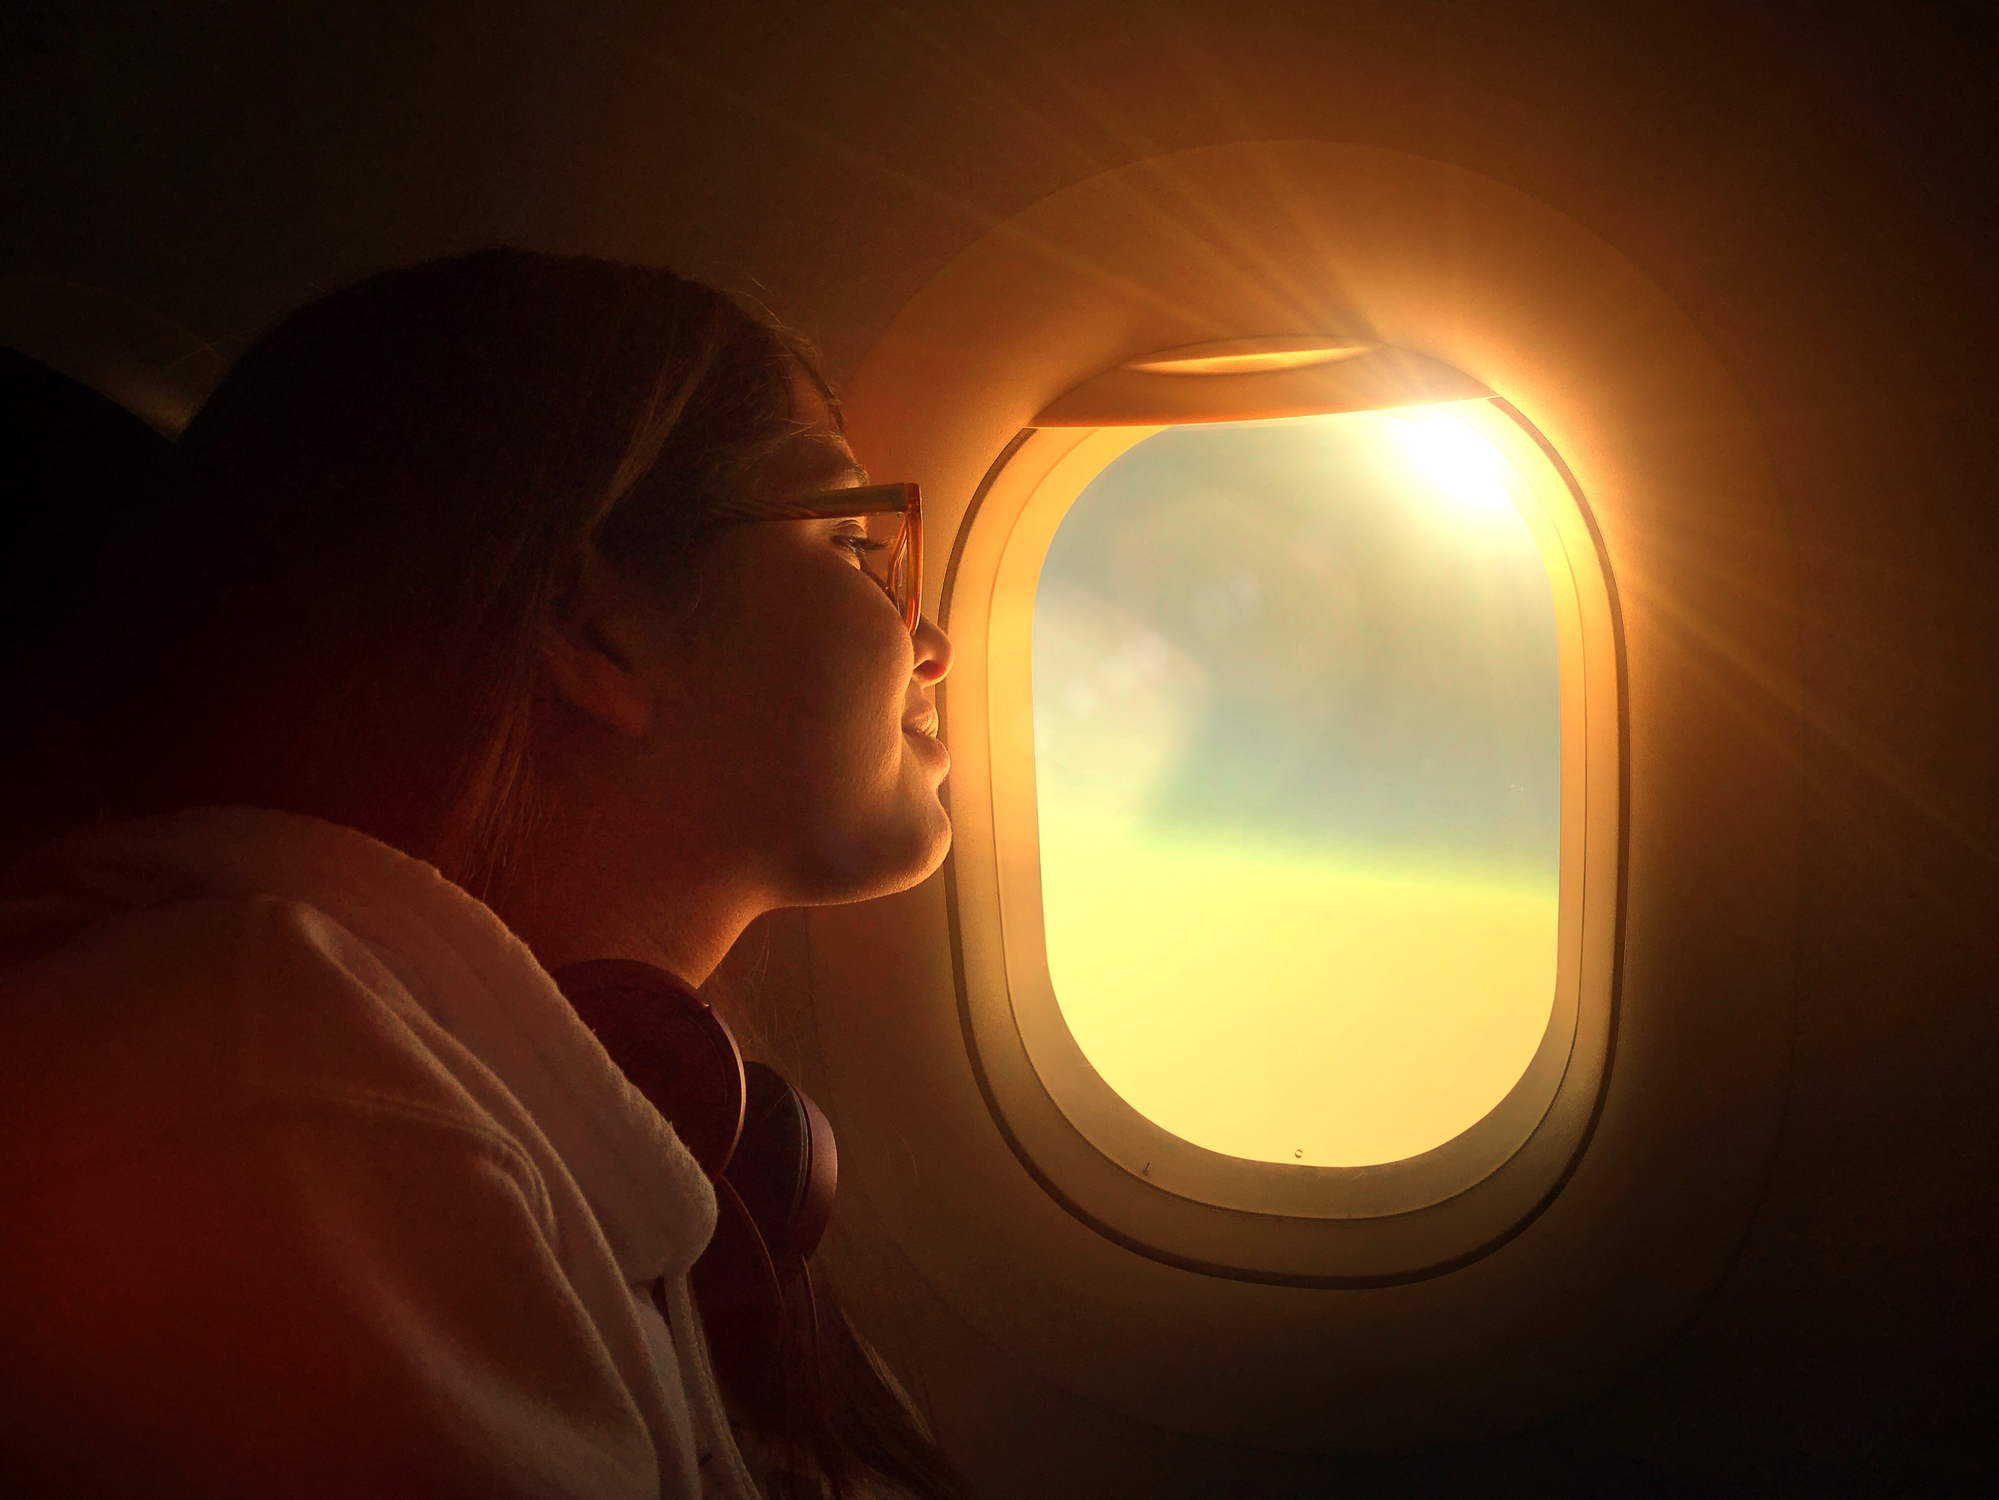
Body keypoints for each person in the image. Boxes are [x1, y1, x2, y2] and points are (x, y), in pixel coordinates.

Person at [0, 249, 963, 1500]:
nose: (928, 642)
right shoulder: (297, 1110)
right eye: (846, 538)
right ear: (593, 627)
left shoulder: (533, 1114)